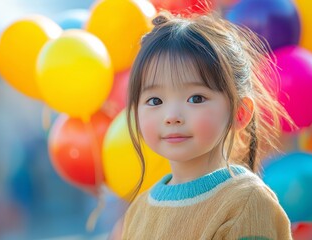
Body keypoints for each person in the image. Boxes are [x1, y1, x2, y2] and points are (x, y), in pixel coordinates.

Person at [111, 10, 293, 240]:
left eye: (196, 98)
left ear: (240, 112)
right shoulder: (138, 210)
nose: (172, 116)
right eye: (155, 100)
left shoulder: (246, 202)